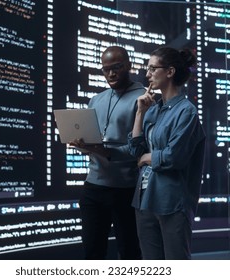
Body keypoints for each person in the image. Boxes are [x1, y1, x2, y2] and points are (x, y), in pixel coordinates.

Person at [128, 46, 206, 260]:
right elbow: (136, 149)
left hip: (172, 201)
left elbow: (174, 157)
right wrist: (140, 113)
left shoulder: (186, 111)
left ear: (170, 72)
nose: (147, 74)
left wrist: (148, 157)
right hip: (144, 198)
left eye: (153, 69)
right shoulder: (153, 109)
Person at [69, 46, 144, 259]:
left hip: (126, 190)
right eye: (106, 69)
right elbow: (94, 140)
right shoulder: (96, 99)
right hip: (93, 188)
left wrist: (106, 152)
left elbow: (141, 148)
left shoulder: (144, 98)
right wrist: (84, 145)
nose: (111, 74)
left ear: (129, 66)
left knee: (130, 253)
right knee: (92, 253)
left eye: (117, 68)